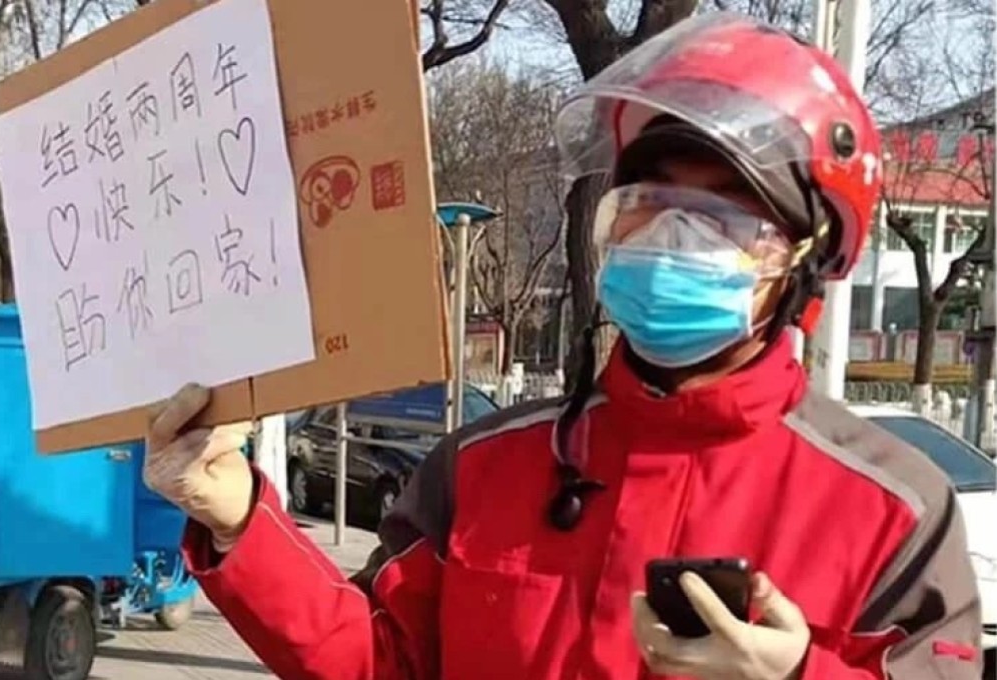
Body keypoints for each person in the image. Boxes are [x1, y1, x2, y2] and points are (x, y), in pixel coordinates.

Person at [143, 12, 983, 680]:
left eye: (726, 217)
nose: (673, 243)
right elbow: (381, 660)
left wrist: (801, 675)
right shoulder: (483, 467)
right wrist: (238, 523)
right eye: (649, 205)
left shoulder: (895, 512)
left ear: (807, 261)